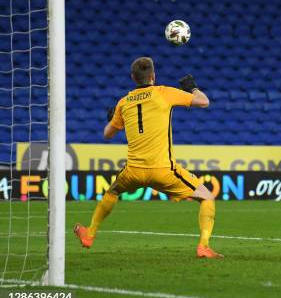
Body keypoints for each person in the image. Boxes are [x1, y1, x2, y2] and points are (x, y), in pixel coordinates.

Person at [74, 57, 223, 259]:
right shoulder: (164, 92)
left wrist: (113, 119)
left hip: (133, 171)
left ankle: (90, 234)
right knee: (207, 197)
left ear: (133, 77)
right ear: (153, 76)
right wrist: (192, 88)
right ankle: (203, 246)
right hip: (163, 170)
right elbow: (204, 101)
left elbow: (107, 134)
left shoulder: (124, 102)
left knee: (113, 191)